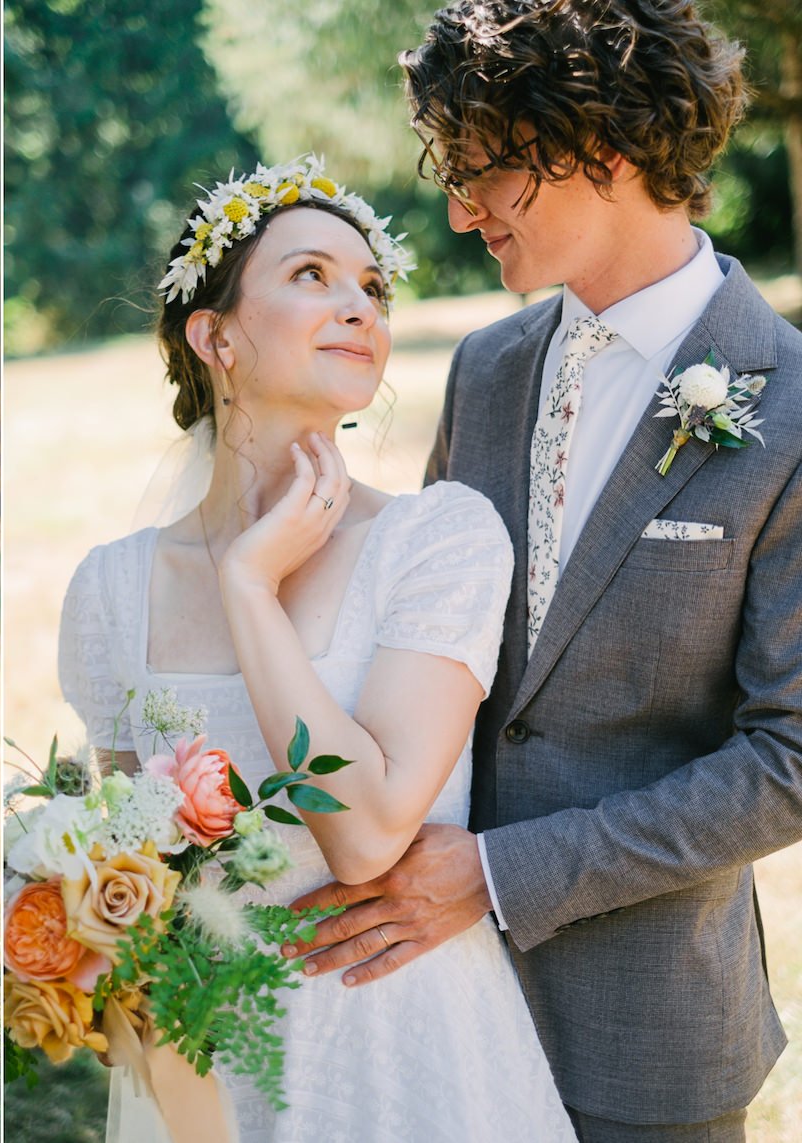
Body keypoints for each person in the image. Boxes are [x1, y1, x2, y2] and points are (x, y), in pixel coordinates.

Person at [284, 2, 802, 1139]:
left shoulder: (790, 410)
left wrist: (502, 874)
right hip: (428, 1005)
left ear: (601, 150)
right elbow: (415, 639)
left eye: (484, 176)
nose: (460, 214)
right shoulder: (486, 370)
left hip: (646, 1035)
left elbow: (789, 757)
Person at [59, 156, 575, 1141]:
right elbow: (136, 902)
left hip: (405, 1058)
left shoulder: (439, 539)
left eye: (372, 288)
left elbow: (368, 832)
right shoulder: (111, 589)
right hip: (212, 1067)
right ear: (213, 335)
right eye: (311, 276)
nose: (359, 306)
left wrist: (249, 587)